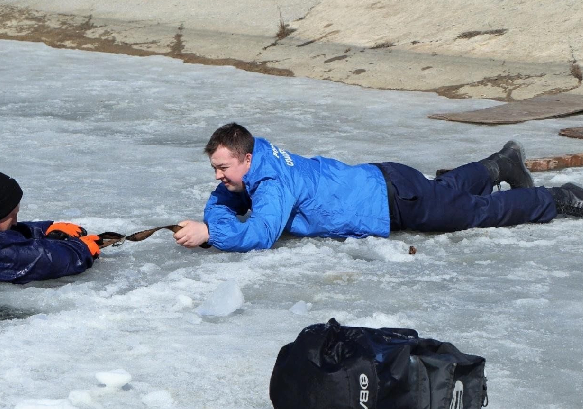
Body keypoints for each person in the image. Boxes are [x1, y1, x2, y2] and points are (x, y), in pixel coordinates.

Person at [174, 123, 583, 252]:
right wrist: (218, 212)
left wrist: (213, 231)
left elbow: (261, 234)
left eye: (222, 167)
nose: (218, 176)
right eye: (215, 168)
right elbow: (223, 196)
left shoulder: (273, 182)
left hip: (393, 201)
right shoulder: (257, 157)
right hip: (387, 183)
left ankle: (558, 198)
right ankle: (500, 165)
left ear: (245, 158)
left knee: (477, 213)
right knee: (446, 191)